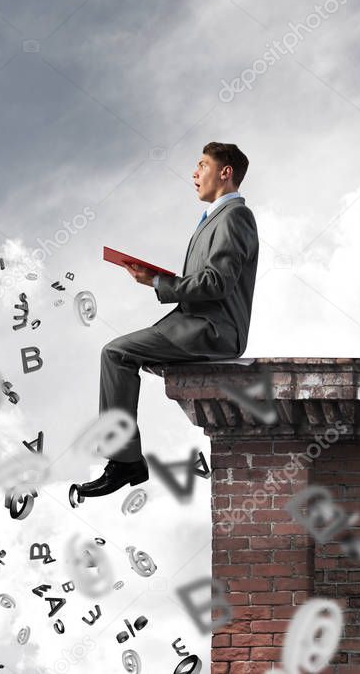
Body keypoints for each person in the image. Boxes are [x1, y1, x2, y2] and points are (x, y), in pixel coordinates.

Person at [79, 142, 259, 498]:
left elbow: (217, 282)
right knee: (121, 353)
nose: (194, 174)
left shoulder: (235, 216)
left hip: (213, 331)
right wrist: (158, 277)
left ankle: (125, 461)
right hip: (193, 324)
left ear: (225, 172)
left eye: (202, 165)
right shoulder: (215, 219)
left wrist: (160, 283)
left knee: (116, 353)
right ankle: (125, 457)